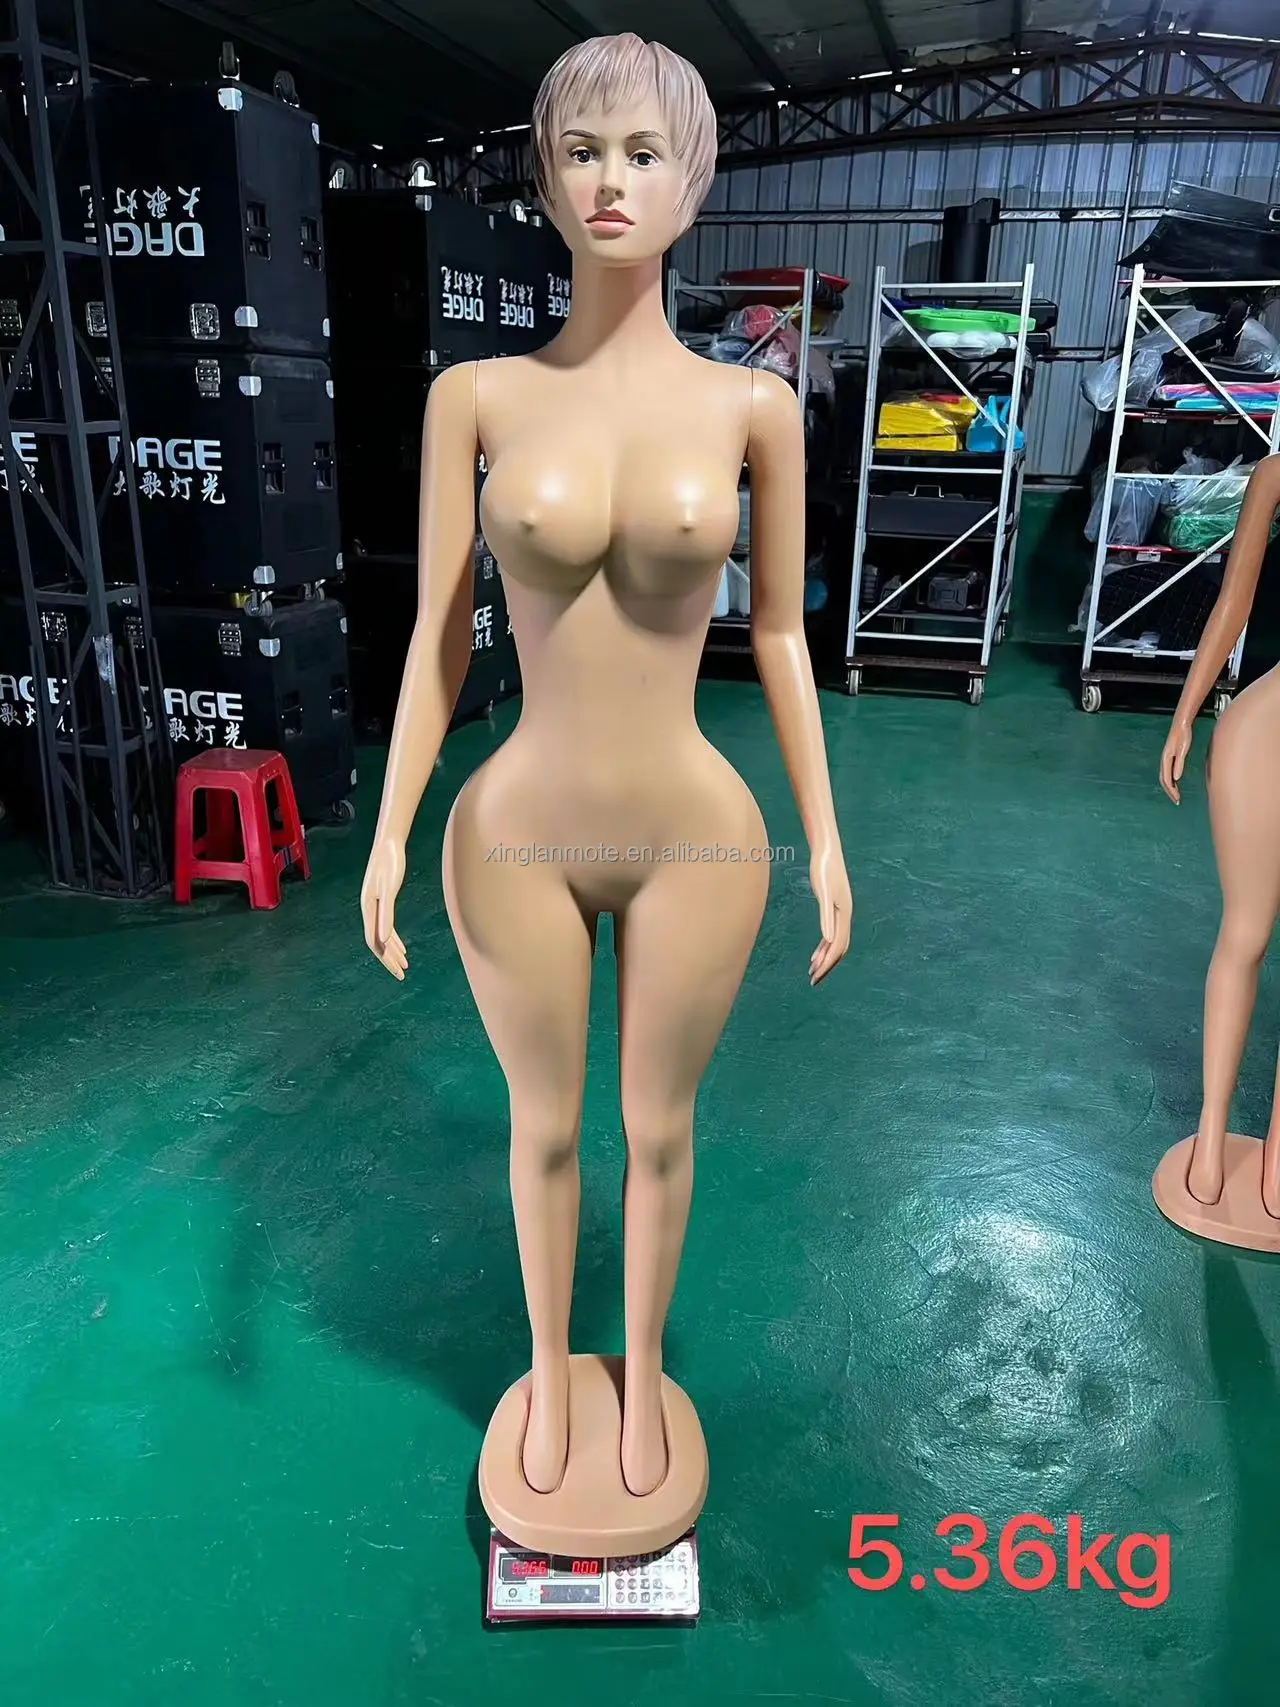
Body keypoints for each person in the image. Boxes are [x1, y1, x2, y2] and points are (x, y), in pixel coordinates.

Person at [361, 33, 852, 1499]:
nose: (611, 182)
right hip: (514, 823)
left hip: (698, 827)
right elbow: (436, 638)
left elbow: (780, 636)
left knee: (658, 1128)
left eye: (645, 153)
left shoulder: (754, 409)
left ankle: (636, 1376)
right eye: (582, 152)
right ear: (545, 178)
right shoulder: (476, 397)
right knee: (543, 1125)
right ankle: (547, 1369)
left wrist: (827, 837)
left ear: (696, 181)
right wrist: (389, 829)